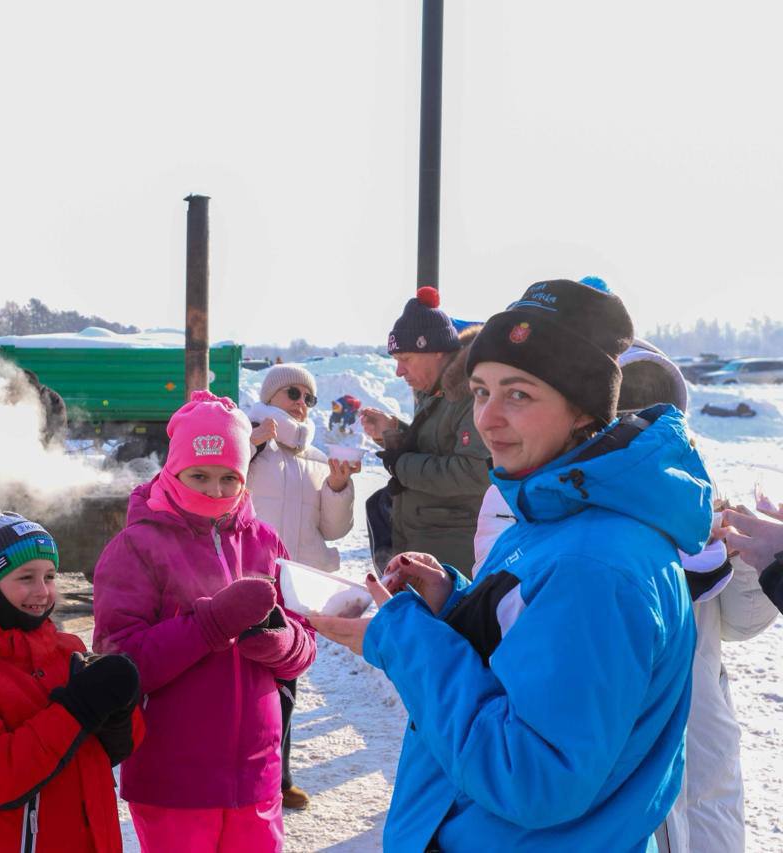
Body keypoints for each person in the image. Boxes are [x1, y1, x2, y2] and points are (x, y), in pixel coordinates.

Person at [312, 278, 709, 851]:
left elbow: (531, 777)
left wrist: (405, 640)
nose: (487, 420)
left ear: (582, 410)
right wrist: (458, 602)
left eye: (518, 394)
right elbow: (537, 641)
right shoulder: (562, 512)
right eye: (479, 391)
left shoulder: (594, 564)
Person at [474, 335, 778, 852]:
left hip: (699, 748)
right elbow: (508, 622)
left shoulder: (692, 495)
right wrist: (647, 566)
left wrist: (750, 561)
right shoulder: (527, 498)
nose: (642, 424)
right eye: (628, 408)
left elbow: (738, 625)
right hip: (606, 757)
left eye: (657, 408)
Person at [92, 390, 317, 852]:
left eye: (227, 478)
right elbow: (120, 662)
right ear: (173, 471)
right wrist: (209, 625)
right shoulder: (137, 547)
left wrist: (277, 640)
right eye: (199, 476)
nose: (214, 492)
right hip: (174, 778)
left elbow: (304, 645)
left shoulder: (265, 541)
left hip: (256, 772)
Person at [0, 494, 144, 853]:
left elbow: (104, 754)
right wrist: (76, 709)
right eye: (25, 577)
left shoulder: (66, 649)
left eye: (49, 576)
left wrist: (120, 709)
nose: (42, 591)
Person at [245, 363, 358, 811]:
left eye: (309, 398)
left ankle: (279, 777)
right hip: (250, 580)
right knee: (248, 684)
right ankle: (246, 772)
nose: (301, 403)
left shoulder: (315, 457)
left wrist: (337, 486)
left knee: (287, 687)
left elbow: (332, 530)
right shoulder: (247, 437)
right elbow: (218, 486)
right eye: (293, 393)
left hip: (298, 587)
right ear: (270, 396)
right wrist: (251, 443)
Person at [358, 287, 490, 576]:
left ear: (435, 351)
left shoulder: (470, 395)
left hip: (453, 549)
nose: (399, 371)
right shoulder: (434, 390)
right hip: (427, 538)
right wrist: (392, 432)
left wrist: (401, 464)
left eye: (405, 359)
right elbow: (436, 446)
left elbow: (475, 471)